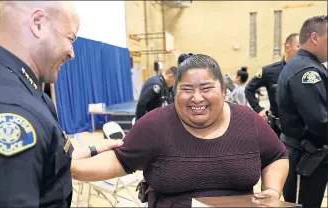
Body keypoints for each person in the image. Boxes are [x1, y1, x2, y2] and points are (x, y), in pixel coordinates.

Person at [71, 54, 289, 208]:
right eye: (186, 89)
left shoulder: (248, 121)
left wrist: (272, 190)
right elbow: (116, 163)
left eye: (206, 88)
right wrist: (70, 164)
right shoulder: (154, 125)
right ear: (174, 94)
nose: (196, 98)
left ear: (223, 91)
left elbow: (277, 156)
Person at [0, 1, 121, 207]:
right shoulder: (8, 112)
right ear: (38, 24)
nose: (72, 53)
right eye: (70, 39)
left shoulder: (11, 86)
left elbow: (49, 159)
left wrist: (95, 149)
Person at [277, 15, 327, 208]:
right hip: (304, 158)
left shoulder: (307, 66)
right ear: (314, 38)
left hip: (309, 155)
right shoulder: (307, 71)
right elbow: (319, 121)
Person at [245, 33, 300, 136]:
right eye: (299, 46)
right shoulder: (269, 71)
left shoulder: (308, 71)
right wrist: (258, 109)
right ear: (288, 48)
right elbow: (249, 89)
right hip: (278, 129)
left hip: (302, 129)